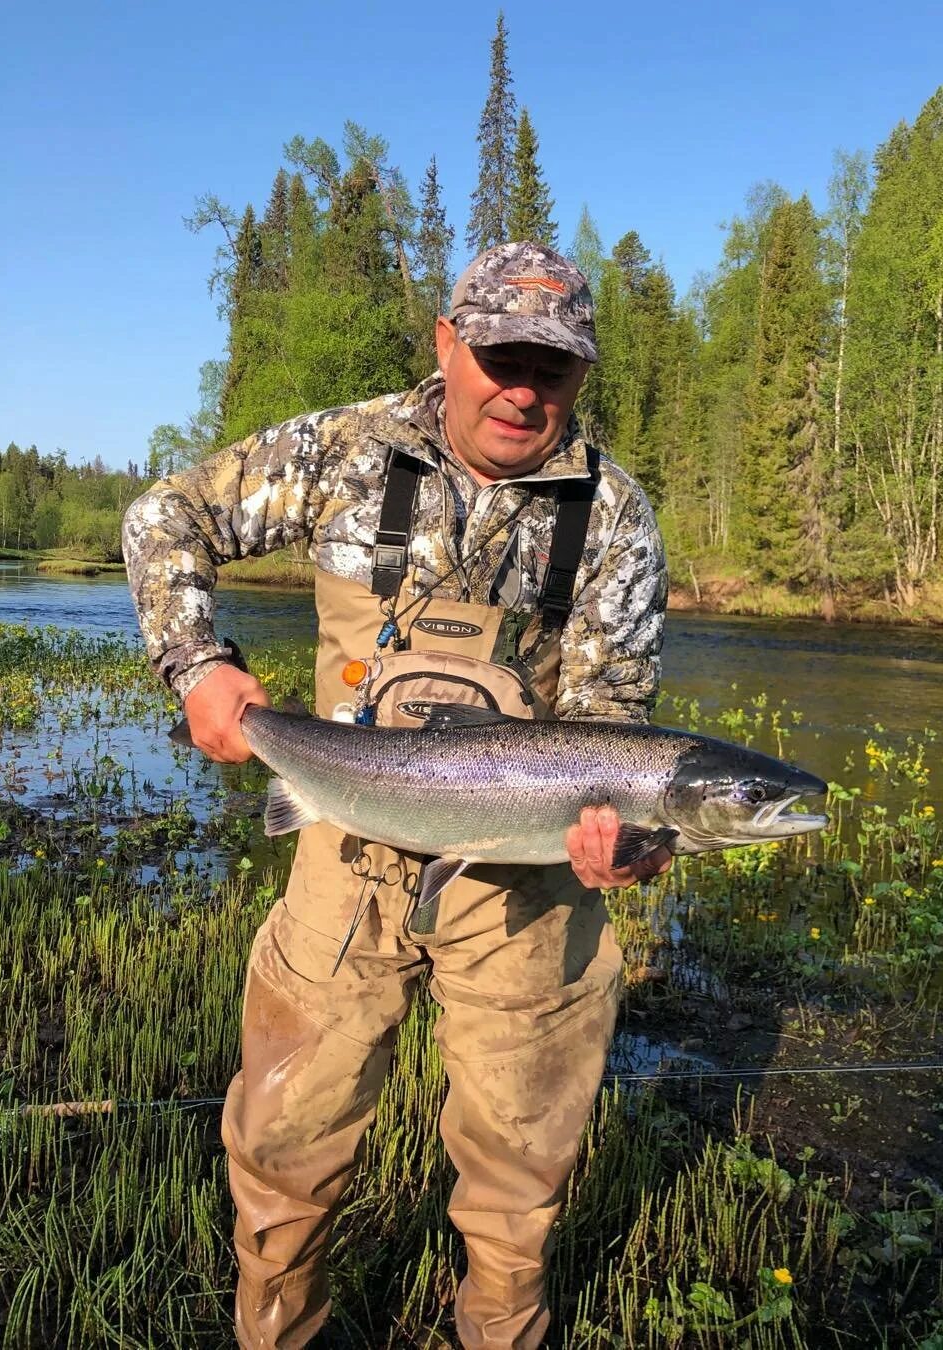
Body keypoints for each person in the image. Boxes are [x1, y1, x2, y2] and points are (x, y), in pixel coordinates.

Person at [123, 241, 669, 1350]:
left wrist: (627, 847)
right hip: (345, 849)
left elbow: (614, 730)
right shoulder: (345, 452)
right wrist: (198, 663)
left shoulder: (612, 519)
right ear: (448, 344)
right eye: (502, 355)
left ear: (580, 379)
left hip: (528, 886)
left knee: (520, 1178)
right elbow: (161, 520)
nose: (523, 388)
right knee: (285, 1142)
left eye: (552, 369)